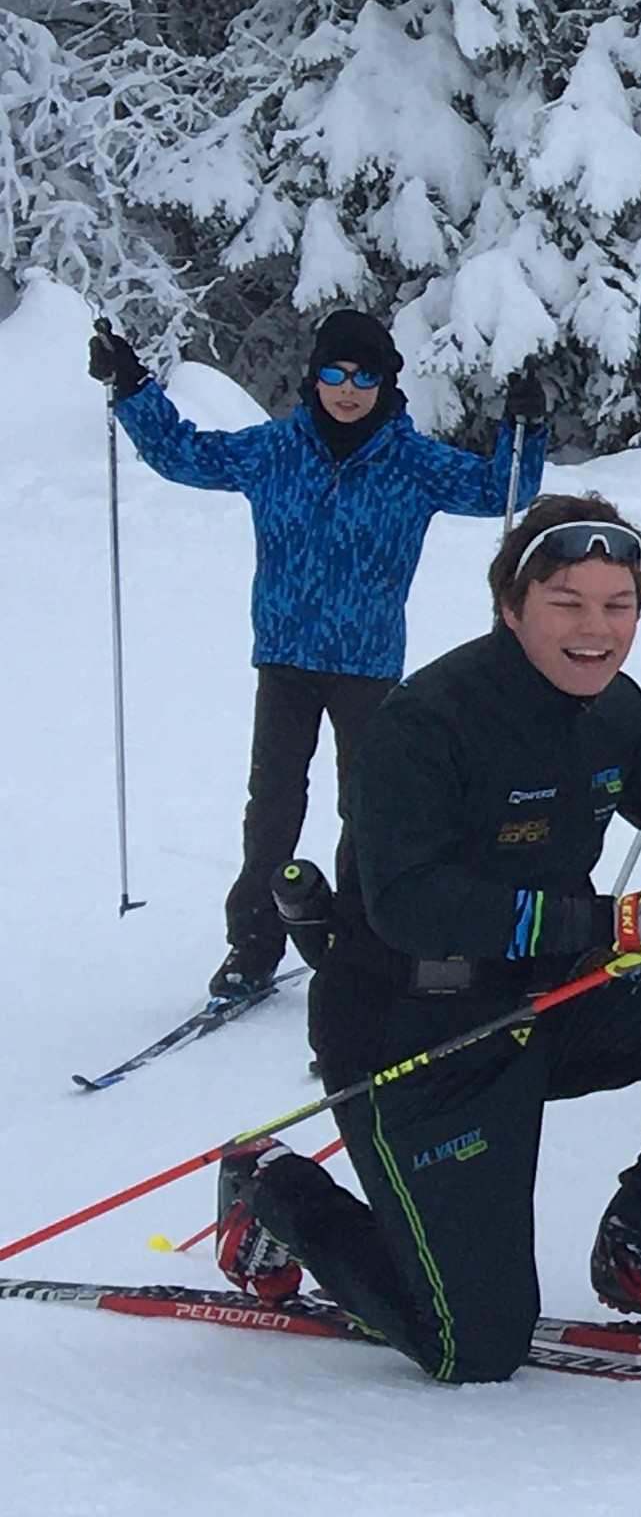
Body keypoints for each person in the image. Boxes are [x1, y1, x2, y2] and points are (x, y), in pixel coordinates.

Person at [209, 499, 641, 1379]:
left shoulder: (611, 705)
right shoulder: (425, 722)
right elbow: (410, 903)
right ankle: (272, 1189)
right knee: (472, 1348)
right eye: (567, 602)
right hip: (418, 1031)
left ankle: (640, 1240)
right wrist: (619, 922)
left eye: (618, 604)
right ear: (511, 604)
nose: (595, 630)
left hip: (548, 999)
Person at [93, 307, 547, 1005]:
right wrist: (132, 388)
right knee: (271, 807)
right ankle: (253, 945)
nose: (347, 388)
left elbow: (503, 490)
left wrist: (526, 430)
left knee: (368, 810)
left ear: (386, 384)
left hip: (368, 667)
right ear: (314, 377)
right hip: (283, 659)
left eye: (365, 375)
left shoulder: (413, 463)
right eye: (334, 372)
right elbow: (183, 454)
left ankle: (359, 941)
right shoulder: (276, 450)